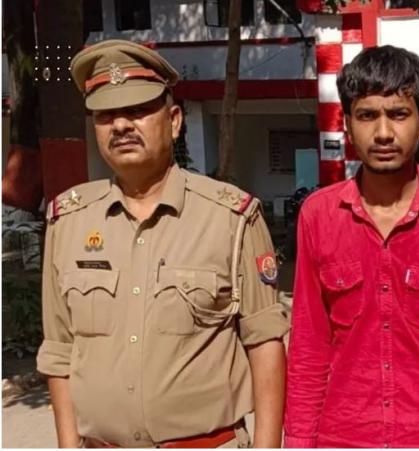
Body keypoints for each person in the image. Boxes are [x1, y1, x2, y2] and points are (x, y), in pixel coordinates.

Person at [36, 39, 289, 448]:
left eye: (137, 111)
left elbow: (264, 343)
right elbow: (60, 351)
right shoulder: (68, 221)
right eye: (106, 115)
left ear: (173, 121)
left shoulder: (232, 218)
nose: (121, 126)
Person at [283, 45, 419, 448]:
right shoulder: (319, 215)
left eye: (398, 114)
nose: (383, 133)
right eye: (367, 115)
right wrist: (298, 442)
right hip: (340, 440)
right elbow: (308, 350)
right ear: (348, 125)